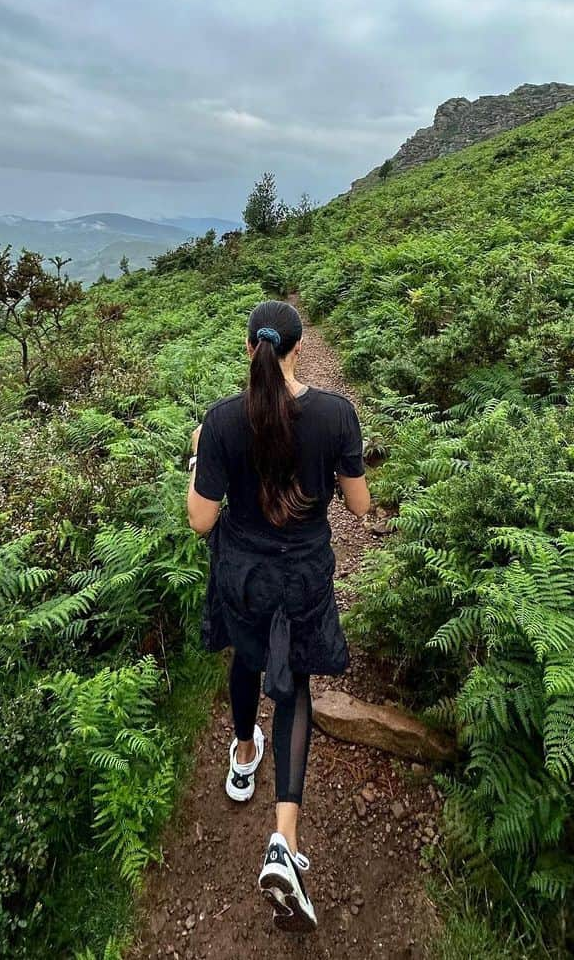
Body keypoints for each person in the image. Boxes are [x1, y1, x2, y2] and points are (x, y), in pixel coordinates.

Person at [186, 299, 371, 932]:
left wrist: (197, 458)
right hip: (304, 575)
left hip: (244, 575)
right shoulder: (335, 415)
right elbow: (361, 504)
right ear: (297, 349)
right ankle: (283, 843)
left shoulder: (220, 423)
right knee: (292, 686)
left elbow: (201, 520)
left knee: (247, 657)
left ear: (250, 351)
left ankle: (242, 757)